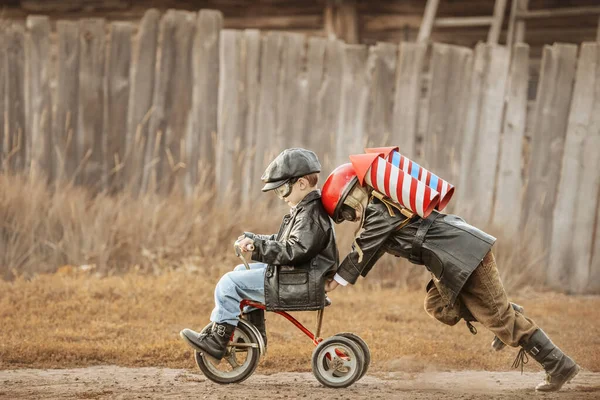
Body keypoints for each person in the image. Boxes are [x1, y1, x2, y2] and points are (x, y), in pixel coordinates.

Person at [320, 162, 580, 392]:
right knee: (437, 305)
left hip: (466, 255)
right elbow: (371, 250)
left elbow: (363, 247)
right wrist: (339, 276)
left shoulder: (378, 209)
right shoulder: (382, 209)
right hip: (452, 260)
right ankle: (505, 311)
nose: (347, 218)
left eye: (344, 211)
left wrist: (335, 281)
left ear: (353, 195)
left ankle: (558, 365)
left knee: (503, 321)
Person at [181, 148, 338, 360]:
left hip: (299, 281)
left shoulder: (310, 216)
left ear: (301, 183)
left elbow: (293, 251)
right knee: (239, 271)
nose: (281, 197)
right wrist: (254, 240)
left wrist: (257, 247)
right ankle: (256, 333)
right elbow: (284, 241)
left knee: (228, 283)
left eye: (282, 190)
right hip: (299, 275)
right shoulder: (306, 210)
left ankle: (217, 341)